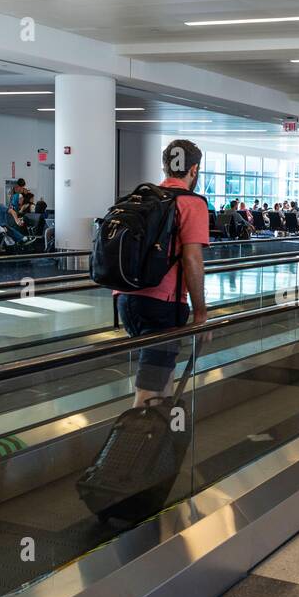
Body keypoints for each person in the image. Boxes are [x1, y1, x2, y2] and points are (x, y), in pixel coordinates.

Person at [114, 139, 209, 408]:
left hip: (126, 298)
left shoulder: (143, 196)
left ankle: (160, 441)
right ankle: (134, 446)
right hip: (162, 304)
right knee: (149, 390)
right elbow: (192, 260)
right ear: (194, 169)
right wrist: (200, 313)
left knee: (161, 376)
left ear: (165, 166)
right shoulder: (192, 203)